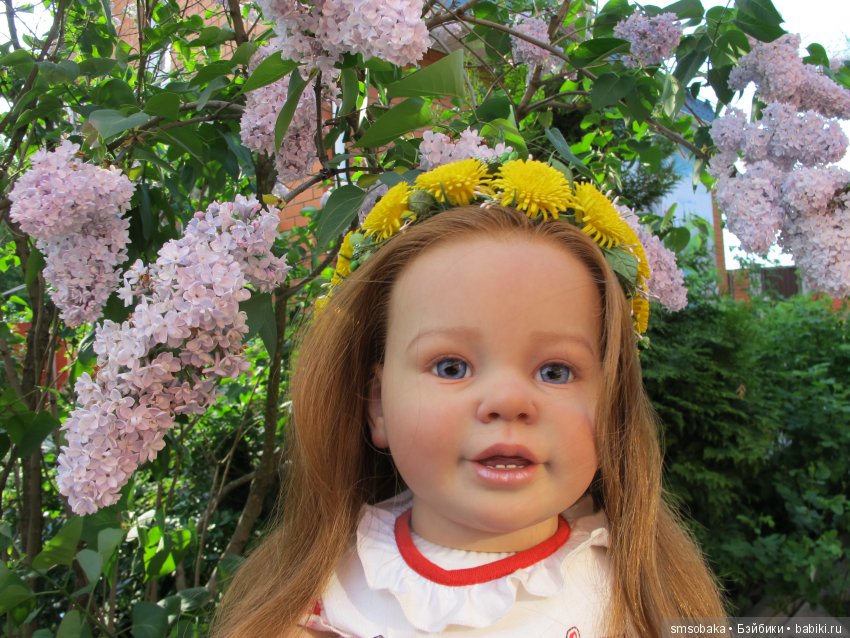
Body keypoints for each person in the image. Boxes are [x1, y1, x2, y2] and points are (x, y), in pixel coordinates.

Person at [212, 159, 725, 637]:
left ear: (612, 403)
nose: (508, 401)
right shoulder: (322, 601)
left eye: (556, 371)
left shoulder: (645, 599)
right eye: (451, 367)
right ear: (378, 404)